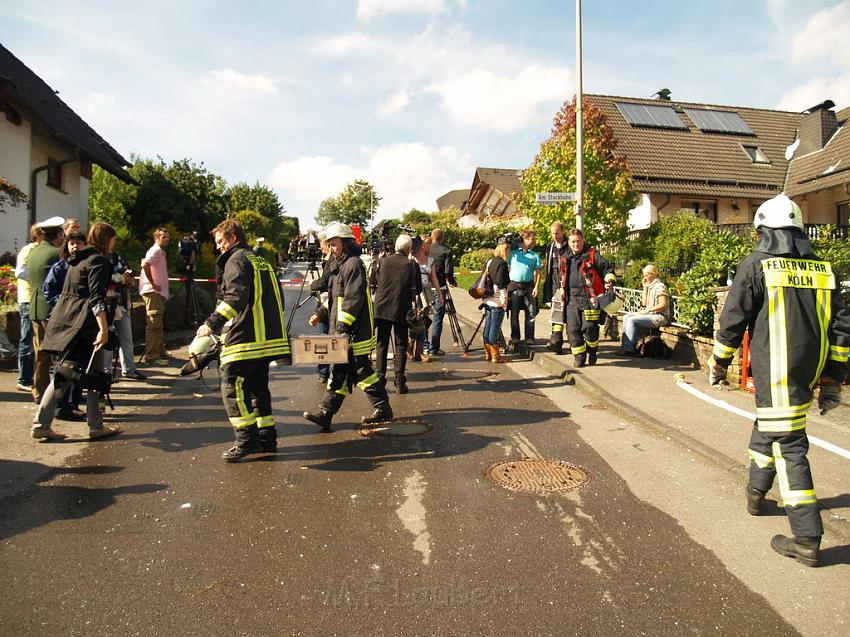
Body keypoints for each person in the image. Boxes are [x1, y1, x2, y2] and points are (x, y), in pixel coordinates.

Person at [708, 194, 850, 567]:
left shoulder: (757, 265)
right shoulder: (824, 268)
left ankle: (806, 537)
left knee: (790, 446)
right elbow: (842, 327)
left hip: (778, 372)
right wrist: (833, 380)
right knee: (770, 423)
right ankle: (756, 493)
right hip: (808, 372)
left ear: (763, 231)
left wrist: (719, 364)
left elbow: (733, 318)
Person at [195, 219, 290, 462]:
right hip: (268, 339)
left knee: (232, 387)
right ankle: (267, 438)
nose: (218, 248)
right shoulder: (261, 260)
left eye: (220, 242)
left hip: (247, 338)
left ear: (233, 238)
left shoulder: (235, 260)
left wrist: (211, 324)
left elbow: (235, 297)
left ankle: (247, 440)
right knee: (258, 388)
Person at [31, 222, 123, 441]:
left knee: (84, 373)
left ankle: (92, 424)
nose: (114, 244)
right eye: (112, 239)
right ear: (105, 239)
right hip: (83, 325)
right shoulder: (98, 261)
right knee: (76, 374)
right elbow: (96, 298)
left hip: (66, 320)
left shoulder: (78, 259)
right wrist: (103, 329)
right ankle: (44, 423)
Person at [303, 222, 392, 431]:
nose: (332, 249)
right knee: (342, 372)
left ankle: (381, 409)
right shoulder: (339, 266)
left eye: (334, 244)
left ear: (345, 243)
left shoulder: (353, 265)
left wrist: (342, 327)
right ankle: (327, 413)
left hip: (354, 332)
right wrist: (319, 314)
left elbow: (353, 300)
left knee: (358, 370)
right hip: (343, 330)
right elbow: (335, 300)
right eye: (330, 245)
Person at [43, 231, 88, 421]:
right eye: (71, 243)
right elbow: (49, 290)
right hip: (63, 321)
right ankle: (61, 406)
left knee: (79, 365)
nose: (75, 246)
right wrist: (62, 306)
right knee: (65, 365)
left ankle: (72, 403)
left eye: (79, 243)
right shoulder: (59, 267)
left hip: (81, 320)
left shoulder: (85, 266)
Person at [372, 234, 421, 393]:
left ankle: (380, 380)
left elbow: (374, 281)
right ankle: (400, 382)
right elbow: (418, 289)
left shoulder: (383, 261)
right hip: (401, 309)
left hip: (382, 308)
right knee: (401, 345)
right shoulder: (411, 264)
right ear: (409, 249)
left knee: (382, 344)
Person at [563, 228, 615, 367]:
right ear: (569, 242)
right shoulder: (566, 258)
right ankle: (579, 357)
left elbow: (607, 269)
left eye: (578, 241)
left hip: (590, 300)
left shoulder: (592, 255)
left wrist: (609, 279)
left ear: (583, 241)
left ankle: (592, 351)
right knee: (573, 330)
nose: (576, 244)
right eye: (573, 242)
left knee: (590, 330)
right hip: (572, 300)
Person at [28, 216, 65, 403]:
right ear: (59, 235)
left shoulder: (34, 252)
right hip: (51, 308)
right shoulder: (56, 253)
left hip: (35, 306)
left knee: (40, 353)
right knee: (58, 353)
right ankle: (56, 394)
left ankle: (39, 391)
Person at [616, 264, 670, 356]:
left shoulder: (660, 286)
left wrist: (648, 310)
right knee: (626, 316)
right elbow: (644, 303)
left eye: (647, 275)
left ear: (654, 274)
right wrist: (645, 287)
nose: (645, 278)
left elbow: (663, 304)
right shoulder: (650, 286)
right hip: (651, 315)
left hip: (660, 317)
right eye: (644, 275)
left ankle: (629, 349)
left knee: (632, 320)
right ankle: (625, 346)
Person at [13, 223, 42, 392]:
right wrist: (39, 277)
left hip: (38, 299)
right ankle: (24, 378)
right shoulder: (28, 250)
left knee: (37, 341)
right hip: (28, 299)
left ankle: (33, 377)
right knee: (27, 339)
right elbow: (20, 272)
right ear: (37, 235)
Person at [109, 248, 145, 380]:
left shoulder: (117, 256)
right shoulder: (99, 257)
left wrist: (128, 279)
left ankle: (130, 369)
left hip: (122, 303)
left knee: (127, 338)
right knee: (108, 340)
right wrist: (121, 279)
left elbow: (128, 274)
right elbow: (107, 279)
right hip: (108, 303)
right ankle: (106, 373)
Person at [139, 228, 171, 364]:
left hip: (157, 292)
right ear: (156, 238)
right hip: (153, 291)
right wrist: (153, 283)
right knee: (153, 323)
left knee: (158, 322)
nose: (166, 239)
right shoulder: (155, 251)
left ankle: (159, 350)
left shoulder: (160, 252)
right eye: (164, 237)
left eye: (168, 237)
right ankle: (152, 355)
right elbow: (145, 264)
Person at [507, 230, 542, 347]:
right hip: (515, 287)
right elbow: (506, 265)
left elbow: (538, 273)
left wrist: (536, 287)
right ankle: (515, 337)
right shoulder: (514, 254)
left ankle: (530, 338)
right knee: (514, 314)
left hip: (529, 287)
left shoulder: (535, 255)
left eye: (534, 238)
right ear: (525, 239)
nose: (533, 241)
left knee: (530, 314)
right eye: (531, 238)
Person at [411, 235, 443, 362]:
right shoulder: (412, 258)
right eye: (425, 243)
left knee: (424, 321)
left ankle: (423, 348)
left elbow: (434, 277)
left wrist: (439, 294)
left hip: (427, 293)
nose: (427, 245)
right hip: (415, 293)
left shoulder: (430, 260)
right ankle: (411, 346)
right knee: (414, 320)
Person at [427, 228, 455, 358]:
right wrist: (452, 281)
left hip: (426, 287)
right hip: (441, 287)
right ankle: (434, 348)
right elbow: (448, 271)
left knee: (423, 316)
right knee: (438, 317)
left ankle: (424, 345)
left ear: (431, 237)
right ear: (442, 238)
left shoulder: (426, 250)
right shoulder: (446, 251)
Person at [308, 237, 333, 383]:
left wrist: (313, 284)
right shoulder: (333, 262)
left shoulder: (330, 263)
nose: (321, 251)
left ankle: (323, 372)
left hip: (327, 307)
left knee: (324, 338)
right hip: (329, 307)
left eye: (323, 248)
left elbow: (325, 282)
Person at [544, 222, 570, 354]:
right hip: (555, 286)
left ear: (562, 232)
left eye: (557, 233)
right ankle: (556, 342)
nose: (555, 236)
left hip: (569, 285)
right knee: (556, 314)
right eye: (553, 233)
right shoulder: (550, 247)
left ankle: (573, 342)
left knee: (570, 315)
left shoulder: (569, 245)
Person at [482, 239, 510, 363]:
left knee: (488, 327)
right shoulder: (502, 264)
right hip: (498, 299)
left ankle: (488, 353)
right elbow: (501, 283)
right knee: (495, 328)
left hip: (488, 299)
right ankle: (495, 356)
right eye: (508, 250)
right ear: (505, 250)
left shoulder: (490, 262)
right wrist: (505, 299)